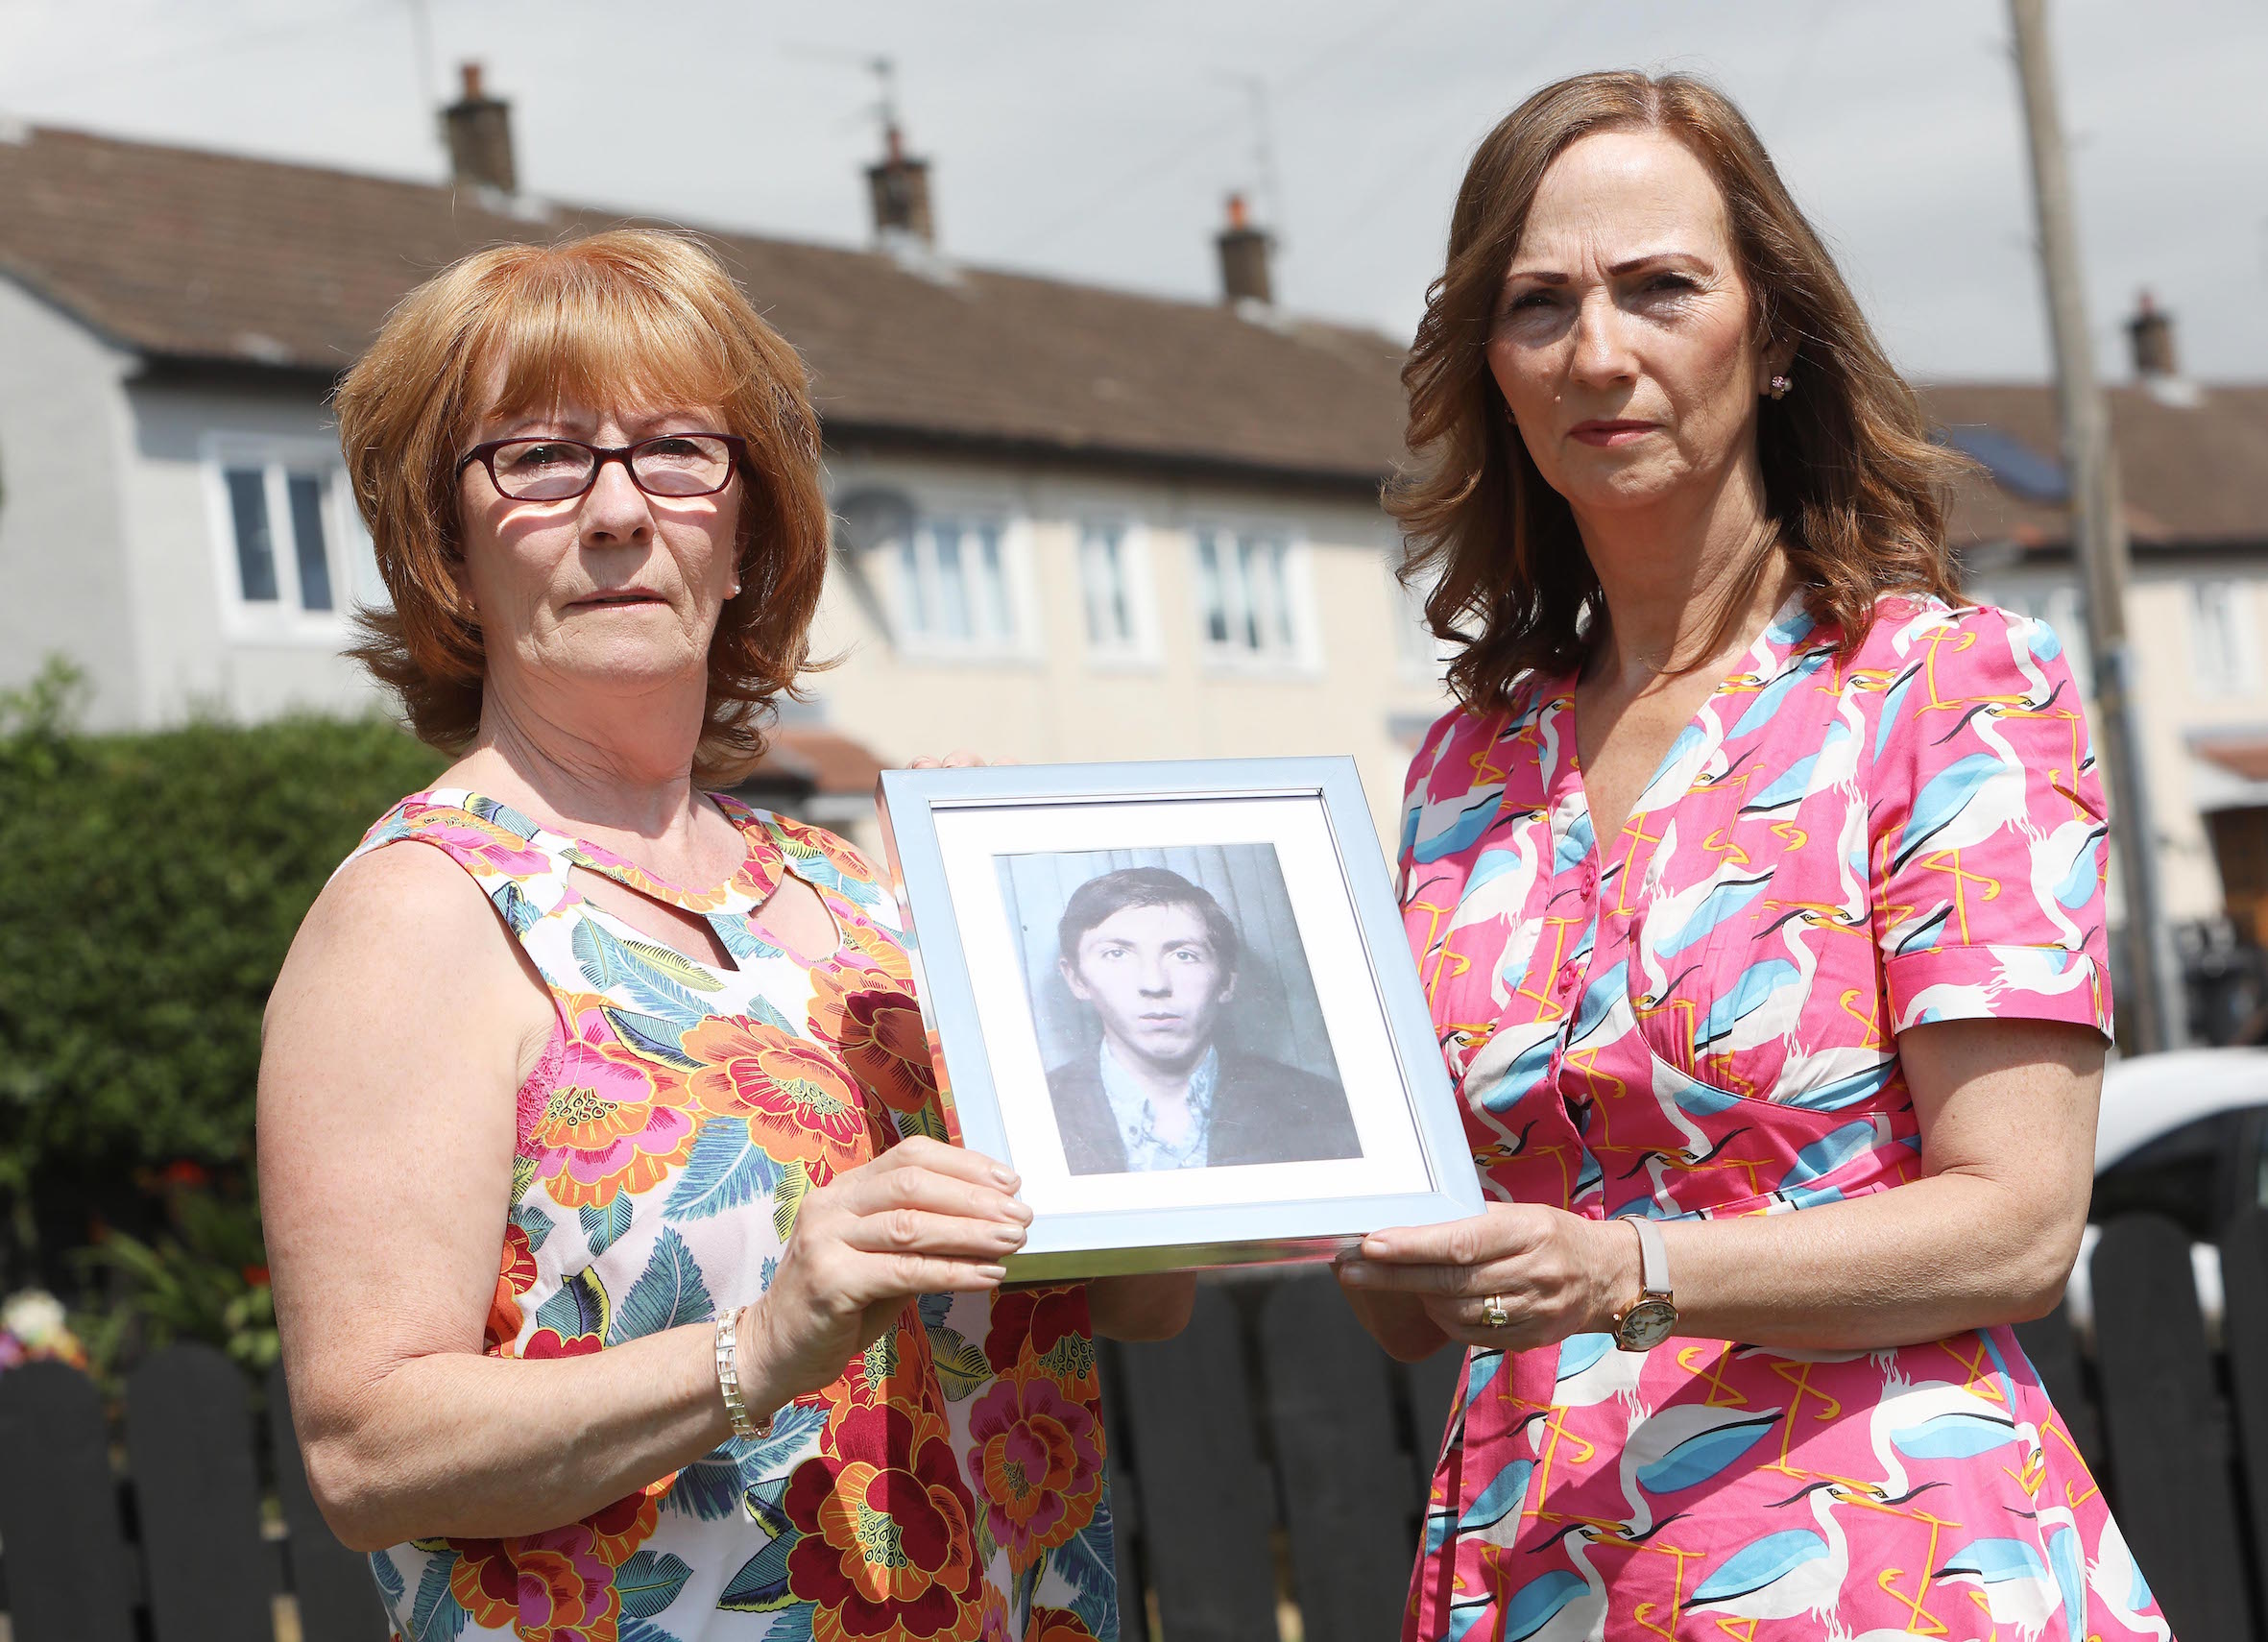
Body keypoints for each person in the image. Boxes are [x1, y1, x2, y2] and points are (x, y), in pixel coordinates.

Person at [257, 229, 1191, 1642]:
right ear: (443, 550)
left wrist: (1041, 979)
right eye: (540, 459)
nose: (620, 510)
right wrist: (757, 1346)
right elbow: (367, 1452)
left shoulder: (867, 898)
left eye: (679, 452)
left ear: (746, 527)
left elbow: (1137, 1300)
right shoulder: (418, 913)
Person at [1332, 73, 2170, 1637]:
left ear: (1772, 335)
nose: (1599, 352)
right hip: (1535, 1564)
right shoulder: (1464, 767)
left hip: (1879, 1565)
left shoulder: (1944, 688)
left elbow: (2017, 1225)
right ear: (1489, 367)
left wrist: (1628, 1267)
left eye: (1659, 288)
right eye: (1537, 304)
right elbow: (1411, 1299)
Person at [1045, 866, 1360, 1173]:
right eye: (1117, 954)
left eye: (1184, 955)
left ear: (1226, 981)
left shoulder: (1324, 1107)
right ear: (1076, 979)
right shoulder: (1033, 1112)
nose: (1154, 984)